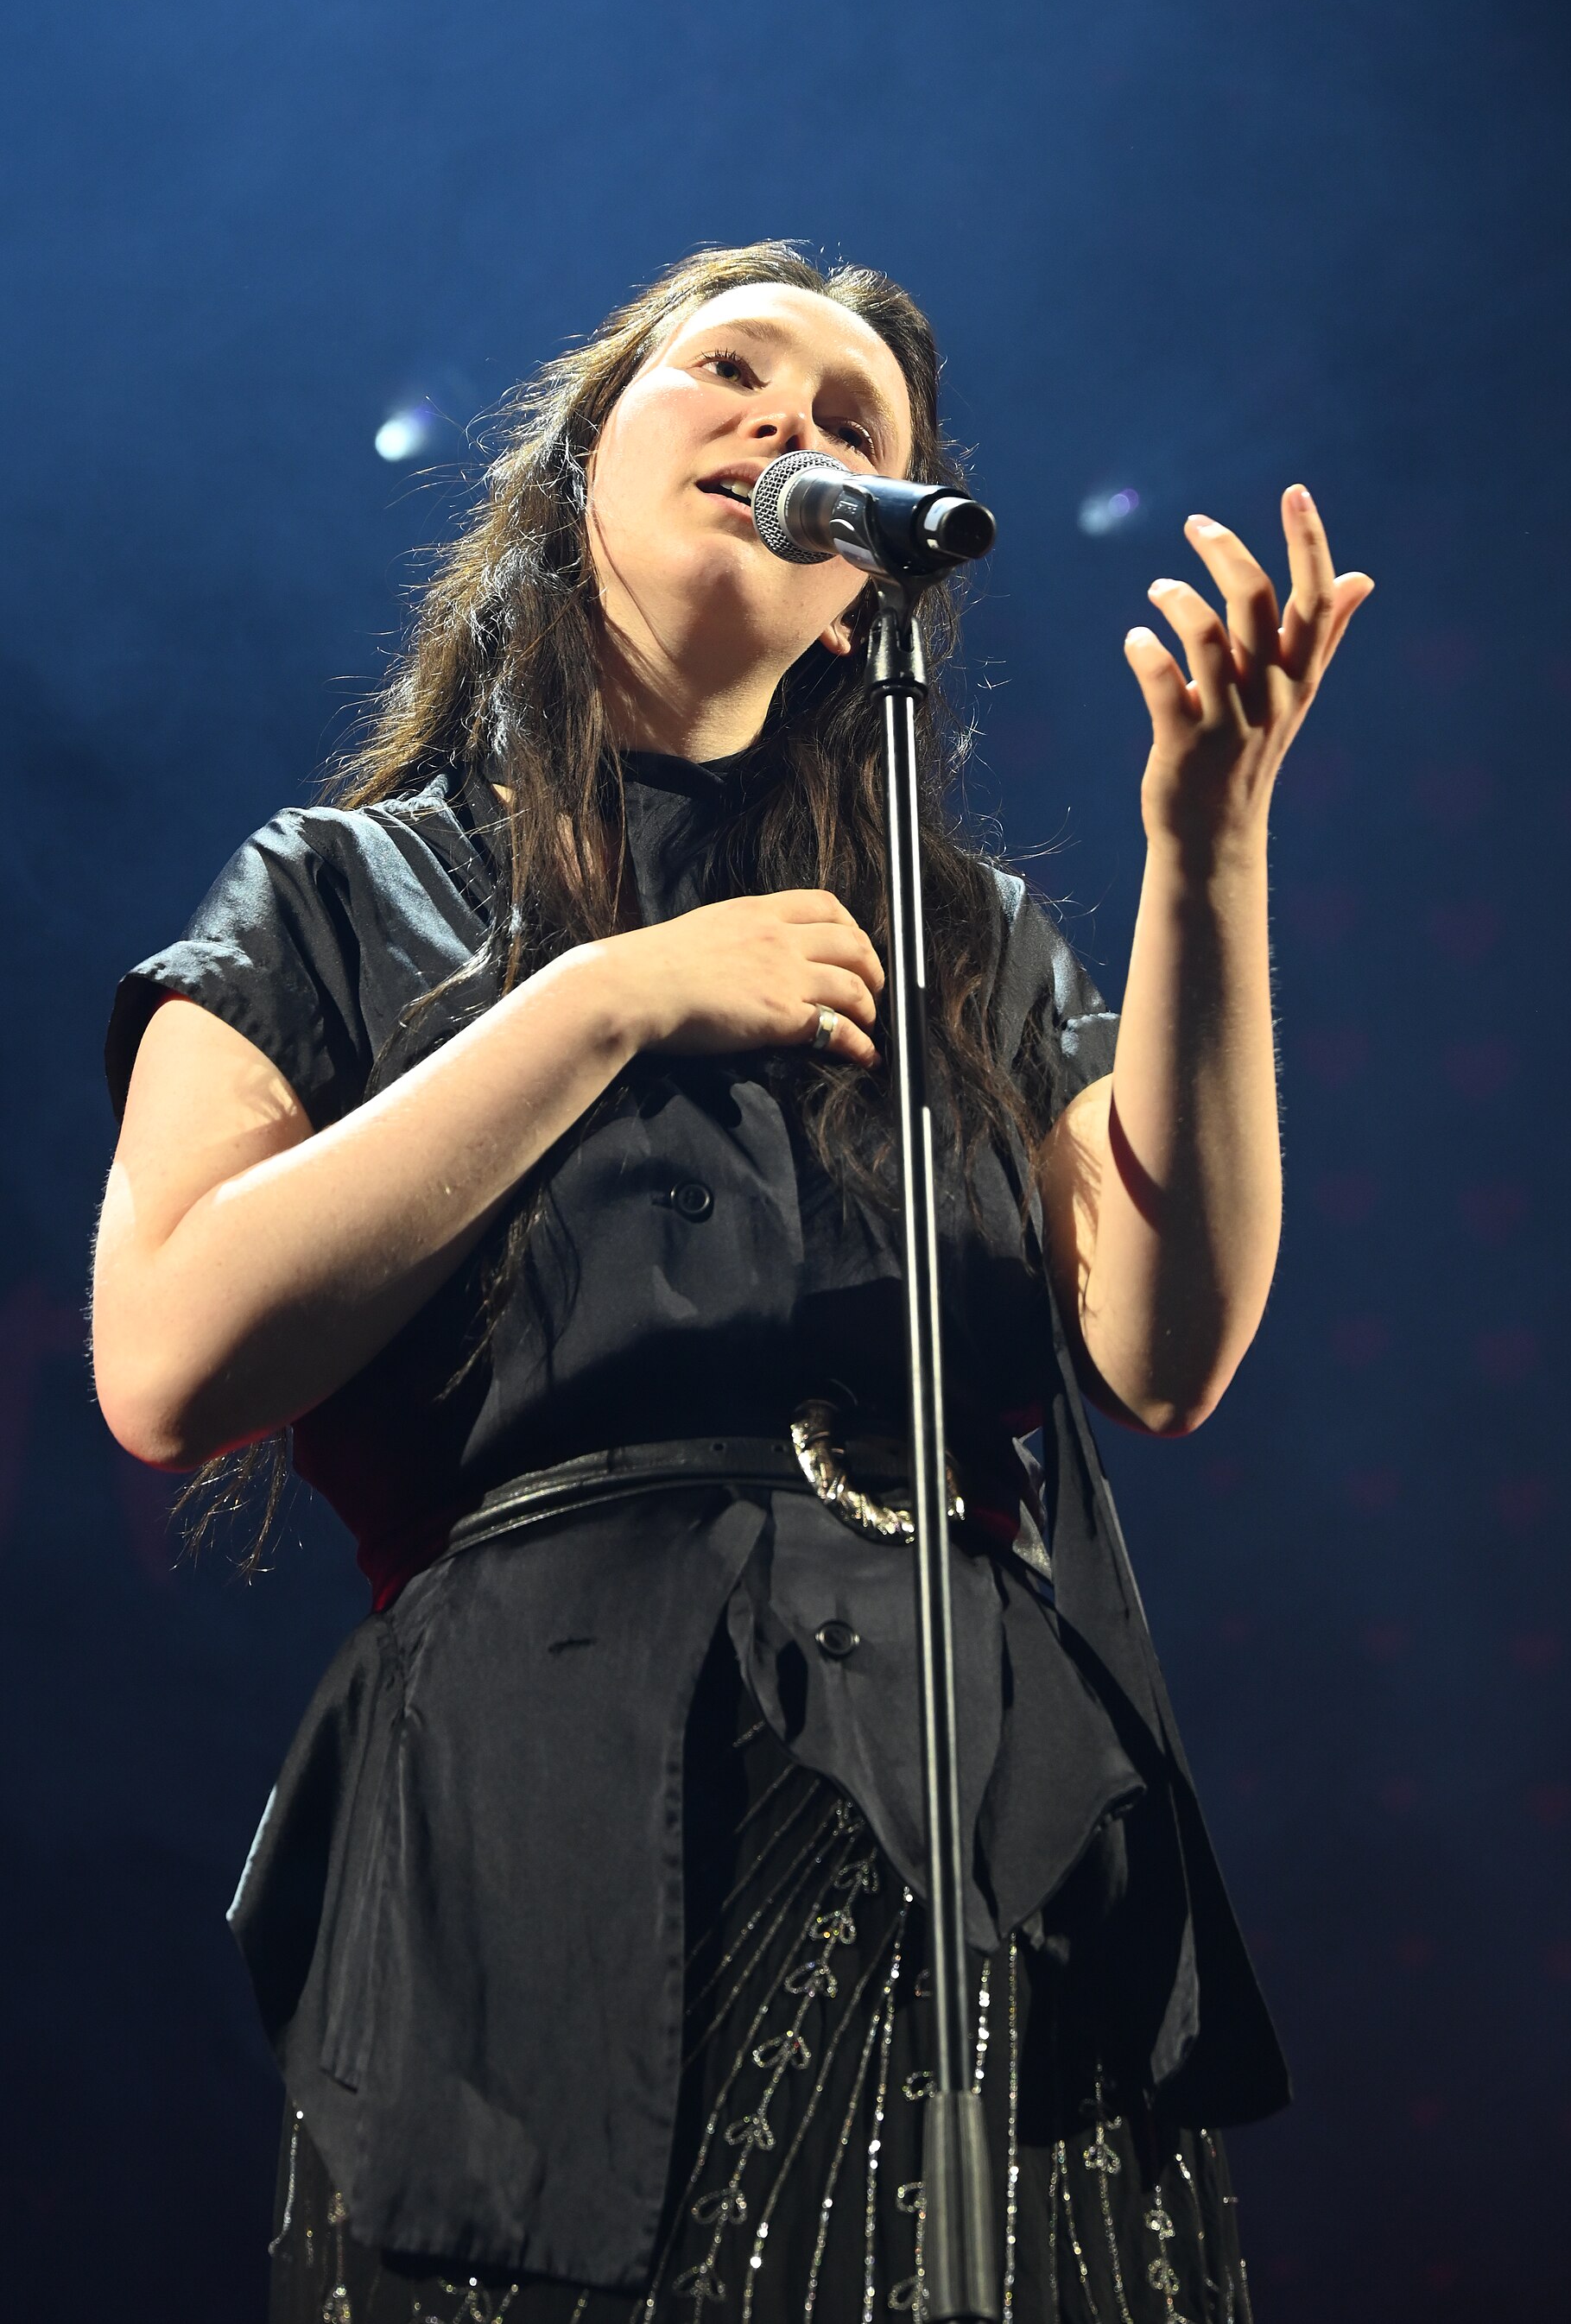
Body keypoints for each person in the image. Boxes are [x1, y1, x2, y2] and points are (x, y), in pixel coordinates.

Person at [92, 242, 1371, 2324]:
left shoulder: (957, 942)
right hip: (539, 1824)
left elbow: (1165, 1344)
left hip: (965, 1795)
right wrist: (604, 1002)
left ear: (868, 584)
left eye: (856, 420)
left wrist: (1207, 843)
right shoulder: (333, 897)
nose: (795, 423)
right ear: (576, 470)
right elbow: (165, 1360)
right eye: (729, 372)